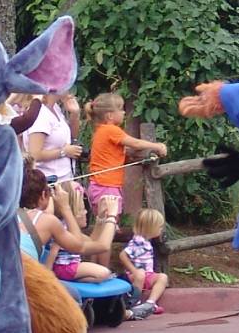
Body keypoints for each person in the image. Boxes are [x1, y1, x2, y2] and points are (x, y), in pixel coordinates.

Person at [83, 92, 166, 225]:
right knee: (109, 226)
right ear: (110, 115)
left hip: (99, 185)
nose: (123, 113)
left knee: (103, 225)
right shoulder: (111, 130)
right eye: (121, 109)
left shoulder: (100, 131)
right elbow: (136, 143)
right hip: (107, 186)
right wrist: (157, 146)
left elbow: (115, 151)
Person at [26, 174, 115, 282]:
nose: (86, 212)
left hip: (70, 266)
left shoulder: (69, 229)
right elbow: (103, 246)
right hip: (64, 267)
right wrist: (112, 216)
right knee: (103, 273)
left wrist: (101, 217)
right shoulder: (61, 227)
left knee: (103, 273)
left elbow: (92, 242)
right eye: (82, 209)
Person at [120, 208, 169, 319]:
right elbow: (123, 255)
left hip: (147, 275)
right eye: (159, 227)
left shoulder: (147, 242)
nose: (161, 229)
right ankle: (135, 302)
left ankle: (150, 303)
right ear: (150, 228)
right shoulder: (137, 241)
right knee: (141, 273)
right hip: (134, 277)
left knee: (162, 277)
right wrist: (134, 271)